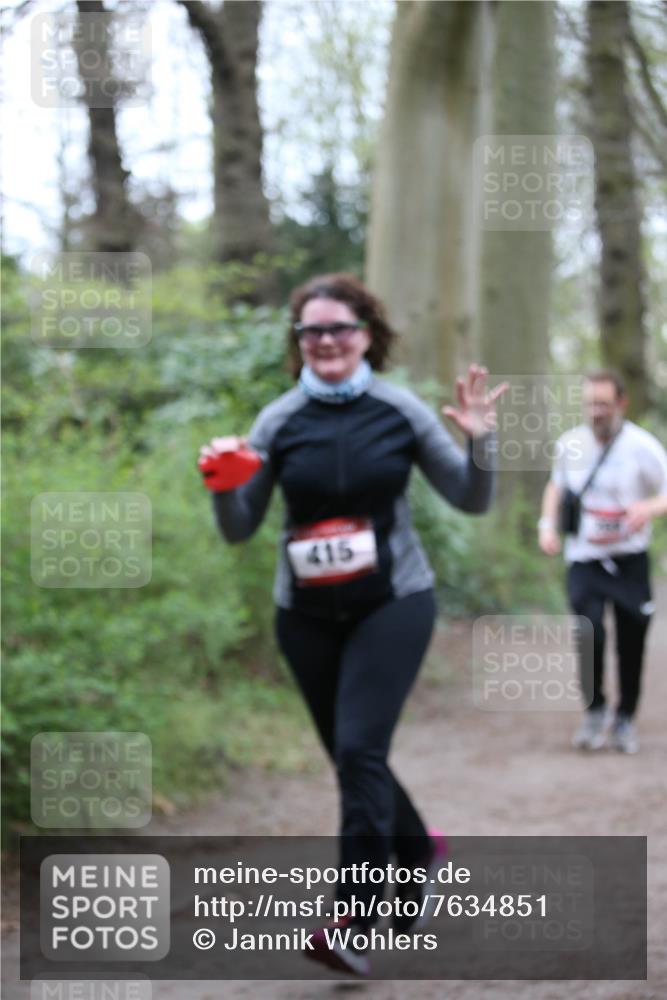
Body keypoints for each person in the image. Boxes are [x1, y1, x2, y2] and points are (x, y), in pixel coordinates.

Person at [199, 273, 506, 976]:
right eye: (311, 331)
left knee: (359, 751)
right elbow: (240, 529)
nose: (326, 341)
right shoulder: (278, 422)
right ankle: (420, 849)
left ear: (367, 334)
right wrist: (221, 485)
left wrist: (483, 441)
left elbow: (469, 498)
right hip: (303, 615)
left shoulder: (399, 411)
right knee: (352, 754)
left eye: (339, 327)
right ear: (297, 342)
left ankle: (354, 919)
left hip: (391, 603)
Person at [538, 370, 667, 754]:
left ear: (621, 404)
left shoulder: (642, 447)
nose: (595, 411)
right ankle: (594, 710)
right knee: (588, 632)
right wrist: (547, 526)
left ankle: (625, 716)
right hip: (585, 558)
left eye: (603, 405)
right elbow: (555, 486)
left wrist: (648, 507)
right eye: (590, 403)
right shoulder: (570, 444)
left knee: (632, 640)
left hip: (629, 559)